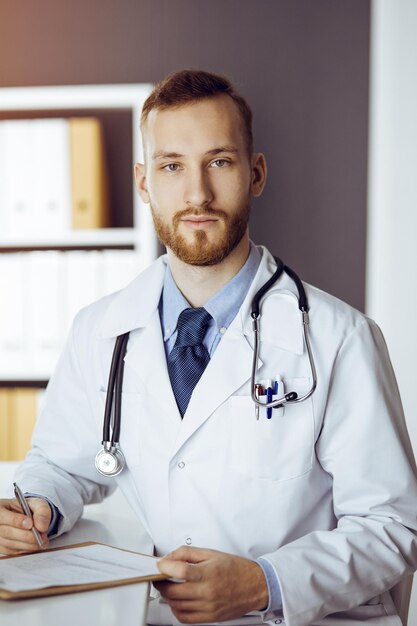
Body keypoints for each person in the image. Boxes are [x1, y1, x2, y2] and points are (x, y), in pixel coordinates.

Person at [0, 69, 416, 626]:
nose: (197, 193)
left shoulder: (340, 338)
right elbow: (62, 462)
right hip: (160, 614)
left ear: (256, 173)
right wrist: (40, 506)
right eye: (172, 166)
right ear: (145, 183)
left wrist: (261, 583)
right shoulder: (101, 330)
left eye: (219, 161)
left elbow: (393, 527)